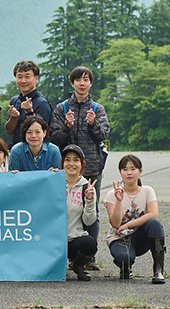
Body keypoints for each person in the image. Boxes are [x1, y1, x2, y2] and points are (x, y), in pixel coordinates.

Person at [50, 66, 110, 270]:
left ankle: (88, 257)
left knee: (91, 210)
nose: (82, 83)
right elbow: (54, 138)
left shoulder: (97, 108)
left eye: (86, 80)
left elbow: (103, 135)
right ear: (72, 83)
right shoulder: (62, 108)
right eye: (78, 80)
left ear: (90, 83)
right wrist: (66, 126)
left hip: (91, 167)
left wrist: (93, 124)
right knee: (66, 210)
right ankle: (65, 254)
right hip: (66, 169)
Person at [104, 155, 165, 284]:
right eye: (125, 169)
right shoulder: (111, 194)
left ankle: (158, 270)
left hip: (140, 237)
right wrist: (119, 201)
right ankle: (125, 268)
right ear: (120, 172)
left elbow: (153, 214)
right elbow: (115, 223)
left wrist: (128, 224)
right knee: (124, 258)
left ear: (140, 172)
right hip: (119, 238)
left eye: (133, 168)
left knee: (155, 223)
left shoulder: (147, 191)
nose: (129, 172)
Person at [61, 145, 97, 281]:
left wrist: (89, 200)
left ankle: (78, 265)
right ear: (62, 163)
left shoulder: (86, 188)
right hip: (55, 240)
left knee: (90, 243)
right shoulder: (54, 182)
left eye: (76, 160)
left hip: (74, 240)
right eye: (67, 160)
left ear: (82, 164)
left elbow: (89, 221)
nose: (71, 164)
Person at [4, 61, 52, 146]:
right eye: (19, 77)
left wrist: (29, 112)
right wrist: (14, 117)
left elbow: (42, 133)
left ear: (36, 78)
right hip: (17, 150)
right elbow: (9, 131)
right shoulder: (14, 101)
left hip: (35, 151)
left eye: (27, 77)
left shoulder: (42, 103)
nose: (23, 81)